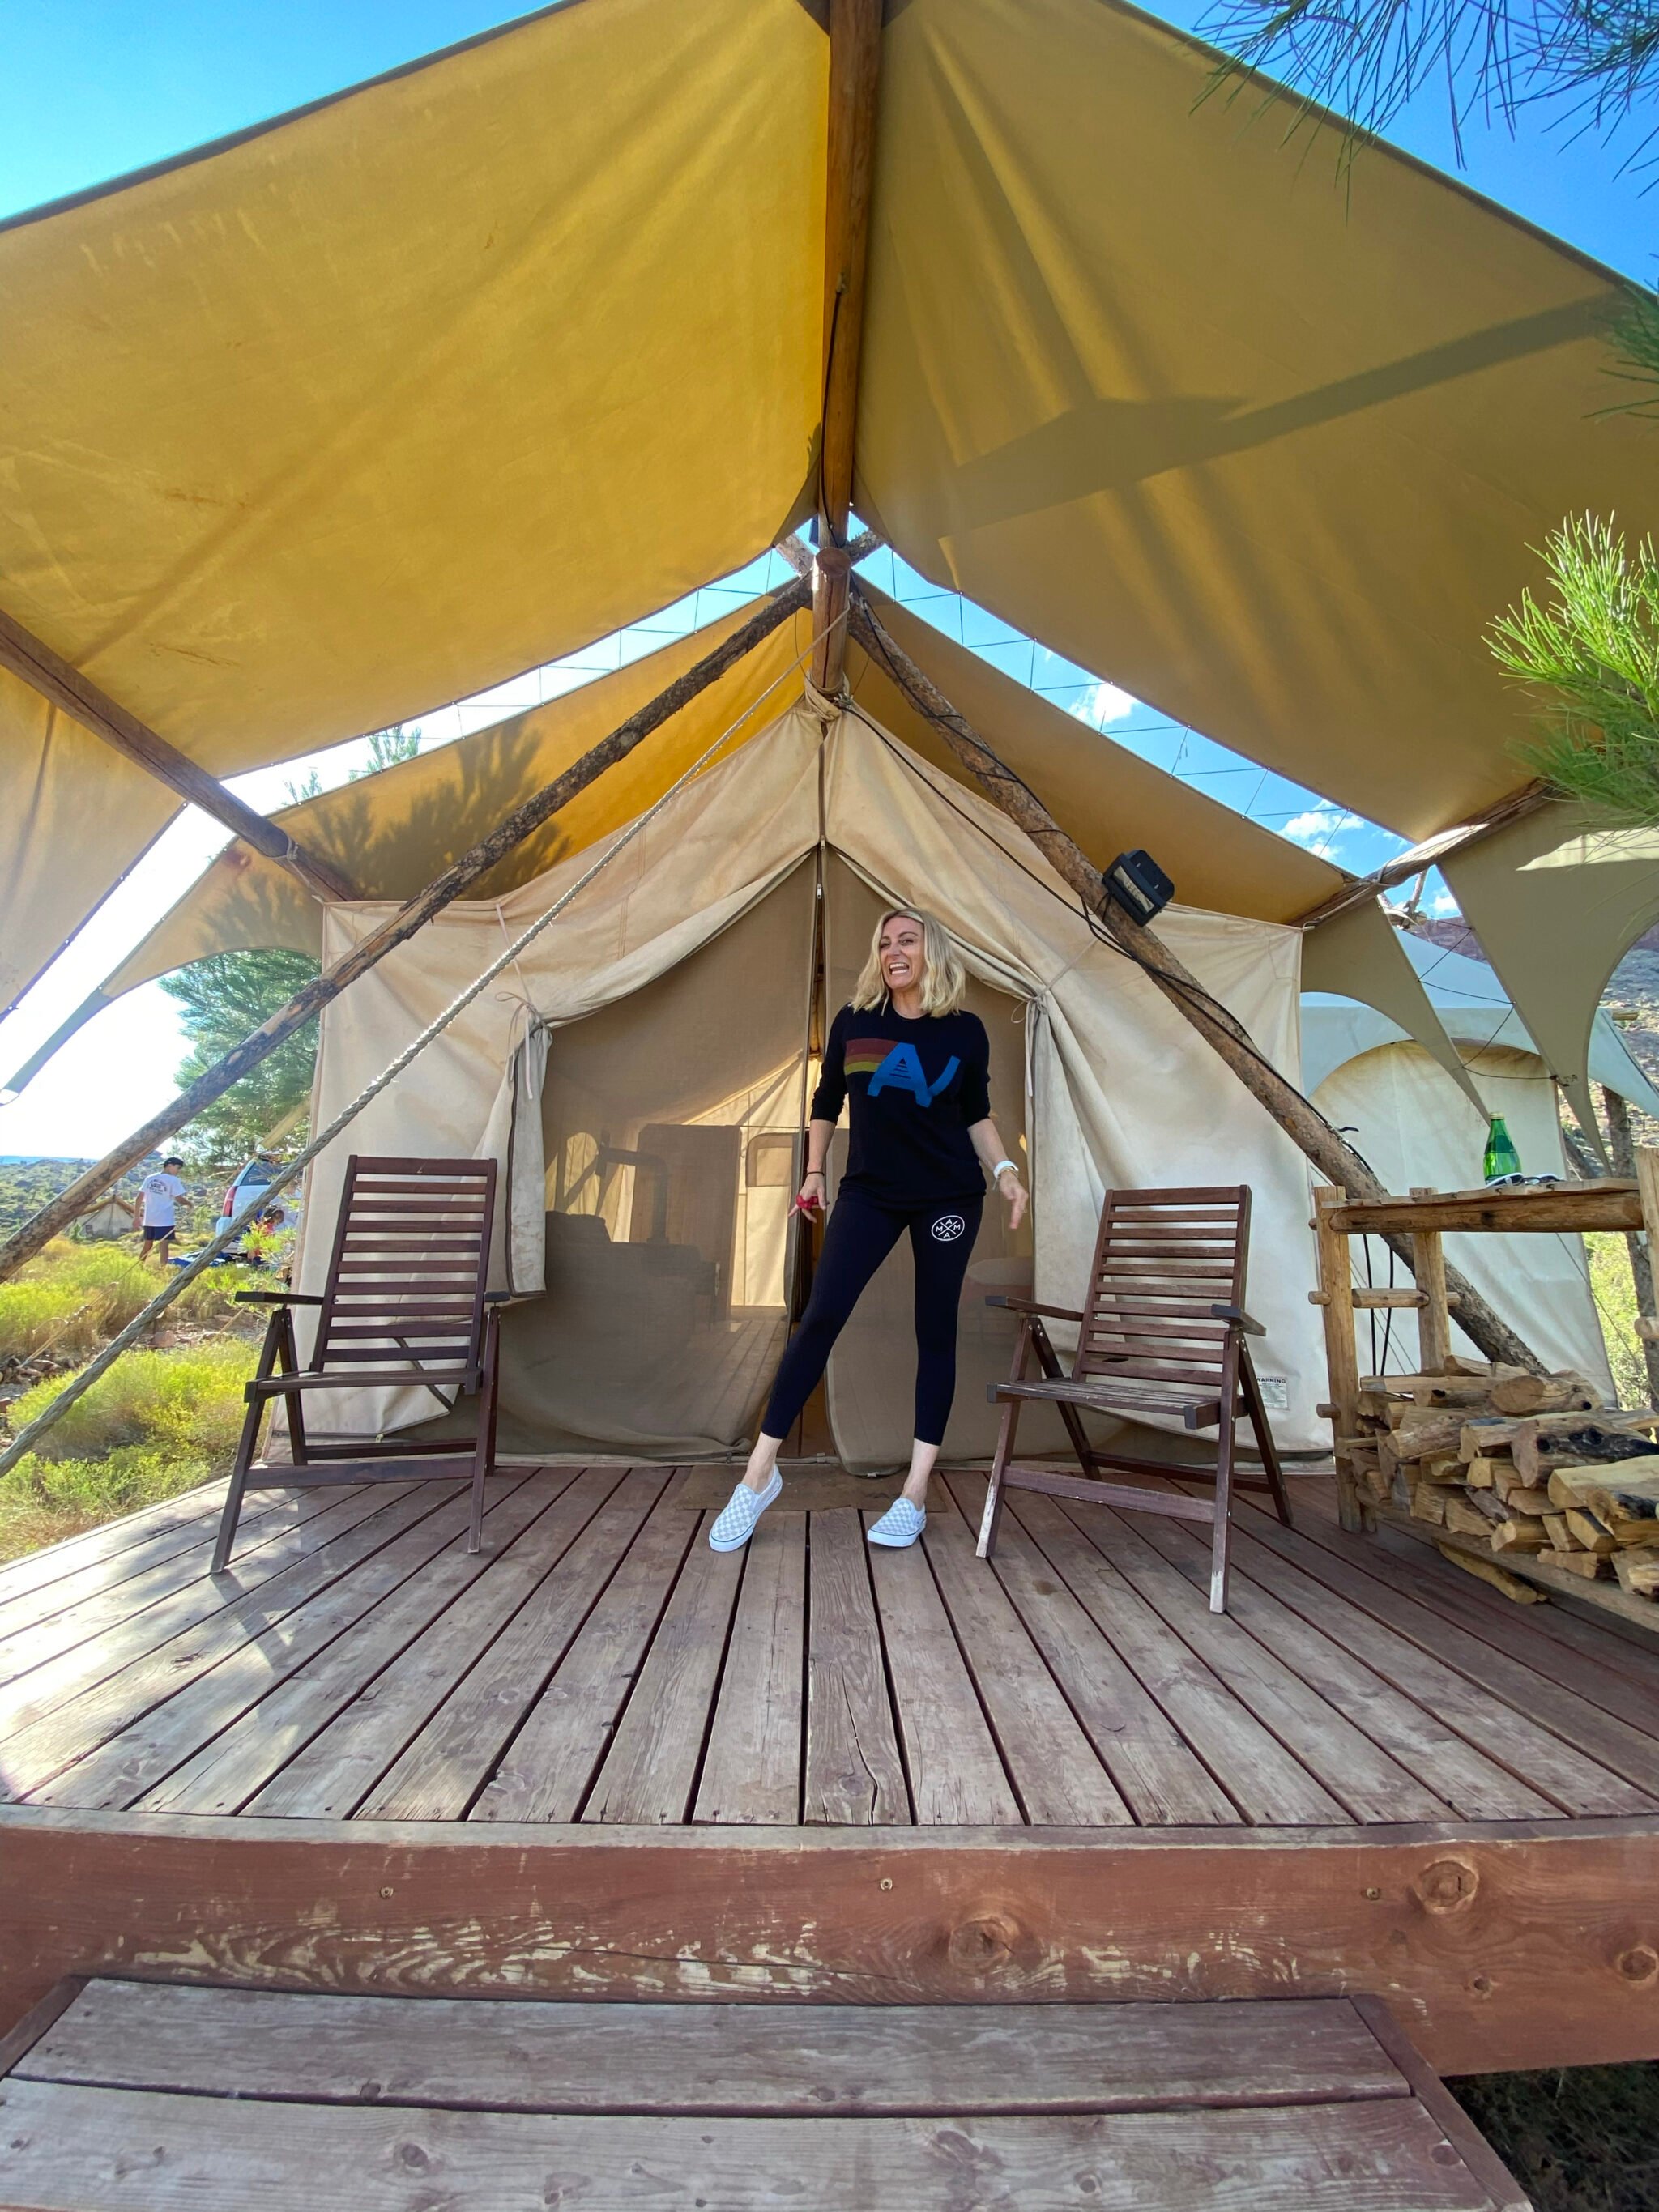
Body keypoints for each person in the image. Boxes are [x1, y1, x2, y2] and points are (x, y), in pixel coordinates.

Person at [710, 908, 1027, 1555]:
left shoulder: (964, 1032)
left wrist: (1005, 1171)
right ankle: (758, 1474)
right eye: (884, 942)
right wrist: (814, 1171)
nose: (893, 951)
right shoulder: (856, 1021)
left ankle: (914, 1492)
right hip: (871, 1193)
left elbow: (976, 1115)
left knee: (934, 1330)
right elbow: (826, 1100)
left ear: (930, 950)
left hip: (949, 1196)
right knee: (821, 1315)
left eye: (906, 940)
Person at [132, 1156, 189, 1264]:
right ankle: (163, 1268)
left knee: (148, 1244)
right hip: (164, 1219)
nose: (179, 1171)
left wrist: (136, 1217)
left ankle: (140, 1265)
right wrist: (189, 1204)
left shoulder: (150, 1178)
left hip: (149, 1219)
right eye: (178, 1168)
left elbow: (139, 1198)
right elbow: (179, 1198)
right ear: (169, 1165)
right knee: (164, 1245)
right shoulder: (173, 1180)